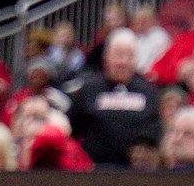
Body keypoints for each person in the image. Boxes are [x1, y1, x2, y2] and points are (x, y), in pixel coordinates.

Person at [66, 29, 161, 167]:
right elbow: (69, 130)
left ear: (136, 60)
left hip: (136, 173)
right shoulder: (88, 90)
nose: (123, 62)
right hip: (95, 172)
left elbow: (156, 130)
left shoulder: (149, 92)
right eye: (118, 55)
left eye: (129, 56)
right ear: (106, 58)